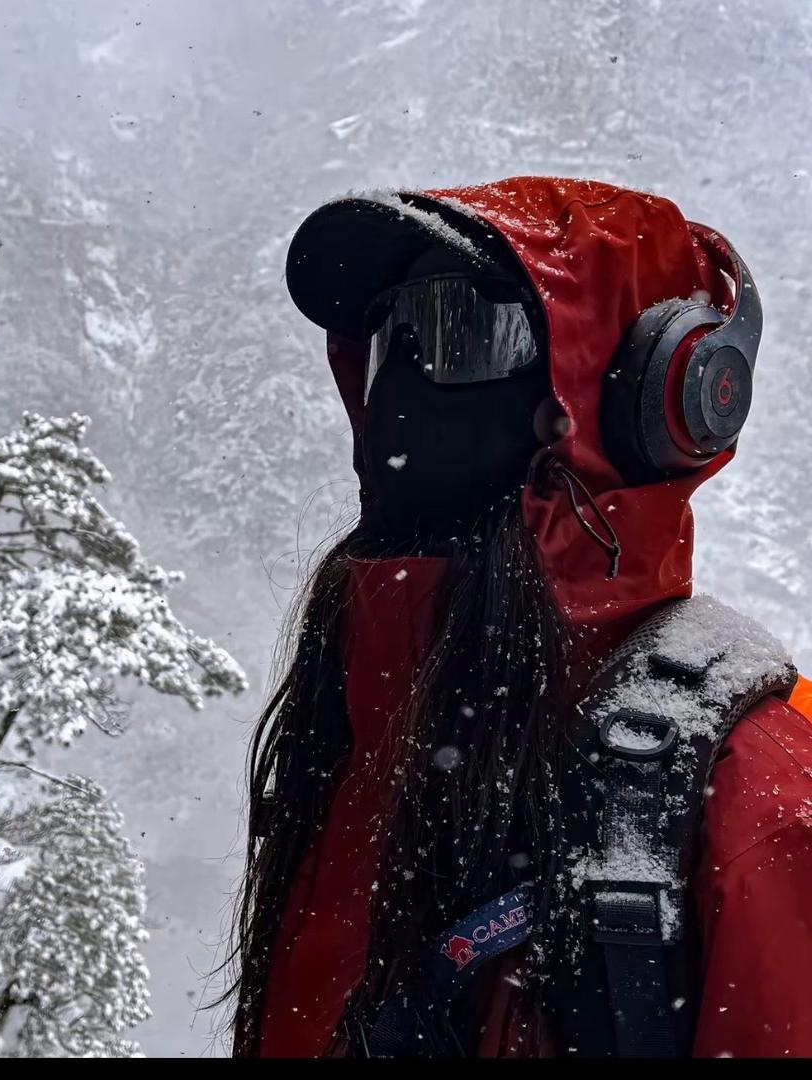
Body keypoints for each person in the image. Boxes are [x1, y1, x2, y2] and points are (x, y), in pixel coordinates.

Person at [226, 177, 812, 1058]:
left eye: (465, 328)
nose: (412, 377)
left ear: (650, 394)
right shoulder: (361, 727)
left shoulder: (753, 802)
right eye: (394, 335)